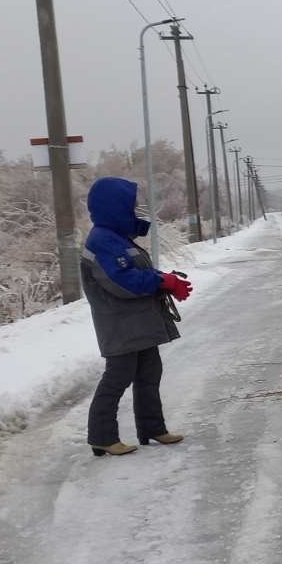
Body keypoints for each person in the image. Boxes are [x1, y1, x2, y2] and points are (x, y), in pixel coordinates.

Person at [78, 177, 194, 456]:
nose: (135, 209)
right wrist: (161, 282)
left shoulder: (117, 237)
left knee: (149, 373)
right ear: (114, 207)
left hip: (137, 323)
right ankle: (102, 436)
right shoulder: (102, 241)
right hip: (120, 325)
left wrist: (164, 280)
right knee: (117, 378)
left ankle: (153, 428)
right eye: (130, 205)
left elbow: (134, 271)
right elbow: (122, 281)